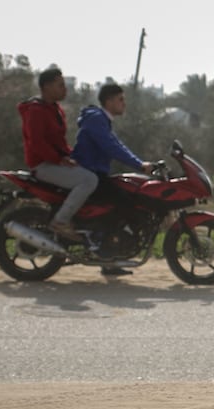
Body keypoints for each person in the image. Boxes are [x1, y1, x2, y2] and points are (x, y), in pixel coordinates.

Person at [71, 83, 154, 276]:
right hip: (90, 173)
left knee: (124, 197)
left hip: (95, 173)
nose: (124, 103)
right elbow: (111, 147)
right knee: (124, 202)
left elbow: (117, 144)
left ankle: (109, 256)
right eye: (120, 99)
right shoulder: (97, 119)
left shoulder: (101, 120)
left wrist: (140, 163)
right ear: (109, 101)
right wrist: (139, 165)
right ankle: (105, 251)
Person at [17, 67, 98, 243]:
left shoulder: (54, 109)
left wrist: (73, 156)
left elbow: (58, 143)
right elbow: (36, 143)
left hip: (55, 162)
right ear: (46, 87)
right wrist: (60, 159)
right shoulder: (36, 110)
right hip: (43, 165)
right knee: (89, 180)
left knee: (95, 173)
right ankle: (60, 222)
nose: (65, 89)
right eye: (60, 85)